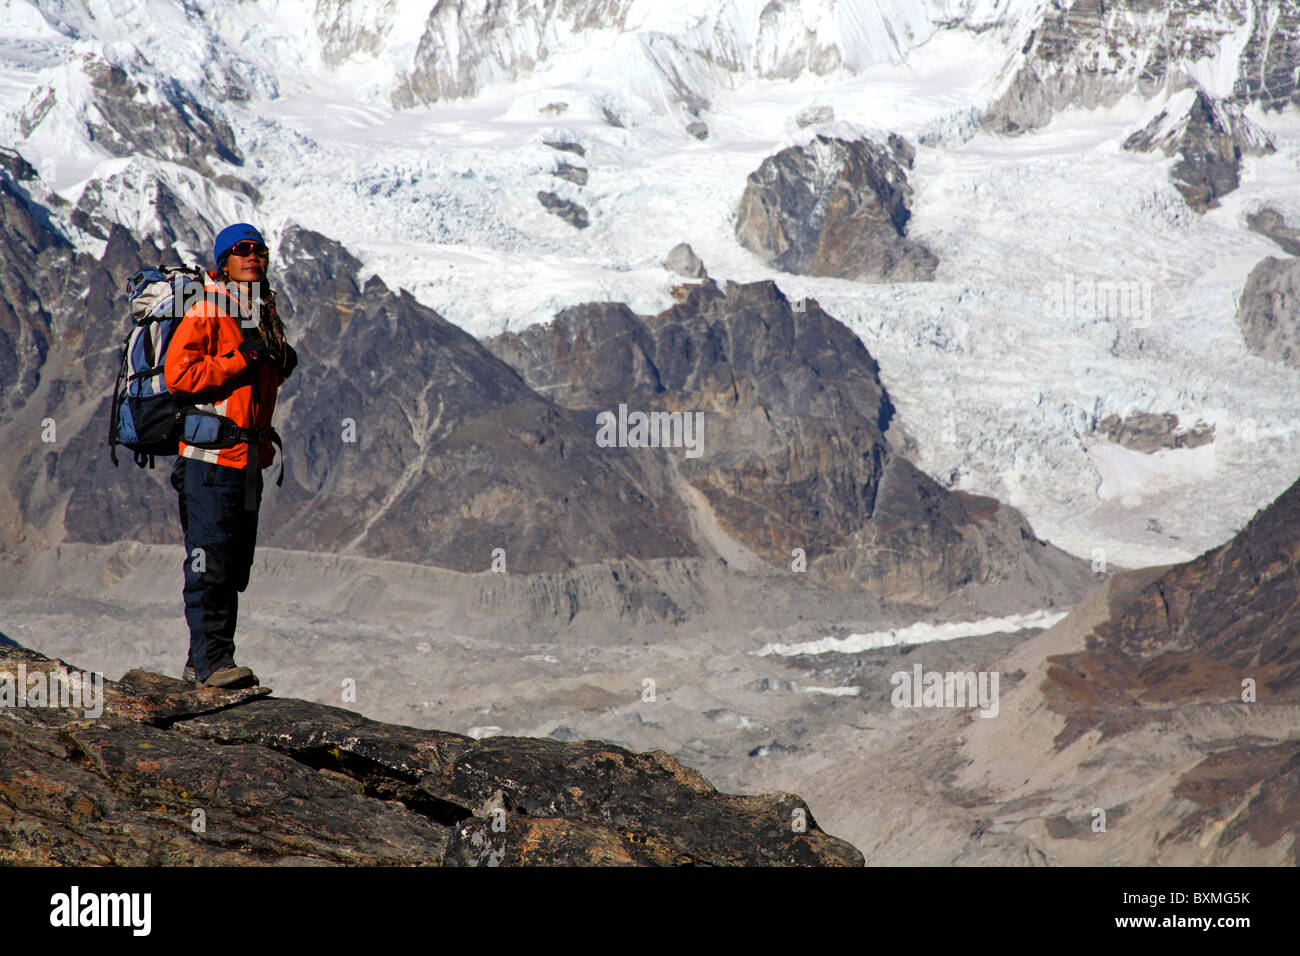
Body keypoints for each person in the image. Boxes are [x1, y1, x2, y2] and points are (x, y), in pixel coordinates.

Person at [164, 223, 296, 688]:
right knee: (209, 560)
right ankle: (212, 664)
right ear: (224, 260)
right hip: (210, 461)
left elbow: (256, 385)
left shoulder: (262, 311)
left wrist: (276, 362)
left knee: (234, 564)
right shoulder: (209, 306)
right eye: (242, 250)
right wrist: (243, 358)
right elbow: (180, 376)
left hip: (247, 461)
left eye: (259, 249)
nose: (253, 256)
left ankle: (205, 660)